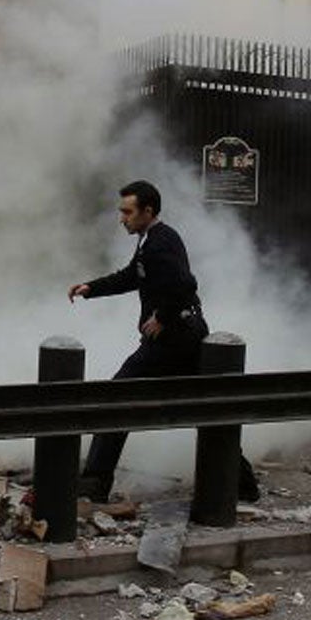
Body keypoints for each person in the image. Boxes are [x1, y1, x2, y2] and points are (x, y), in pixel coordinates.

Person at [67, 179, 260, 505]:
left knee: (117, 398)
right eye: (121, 212)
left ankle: (96, 482)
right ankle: (243, 484)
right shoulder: (150, 240)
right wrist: (92, 288)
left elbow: (186, 283)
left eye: (128, 212)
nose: (122, 218)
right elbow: (132, 276)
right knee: (206, 407)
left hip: (173, 339)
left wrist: (163, 316)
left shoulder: (160, 242)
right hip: (184, 336)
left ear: (148, 211)